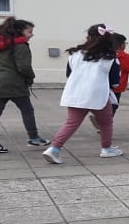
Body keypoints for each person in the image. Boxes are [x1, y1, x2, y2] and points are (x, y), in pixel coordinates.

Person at [42, 24, 122, 164]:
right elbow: (115, 83)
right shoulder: (110, 57)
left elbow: (69, 74)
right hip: (98, 95)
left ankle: (54, 149)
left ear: (88, 37)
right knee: (105, 122)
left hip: (75, 93)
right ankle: (106, 148)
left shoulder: (74, 54)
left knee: (71, 123)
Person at [0, 17, 49, 153]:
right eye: (29, 32)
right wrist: (30, 78)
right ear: (20, 32)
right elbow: (24, 67)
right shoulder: (21, 46)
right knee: (27, 110)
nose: (32, 34)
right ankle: (34, 138)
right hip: (14, 84)